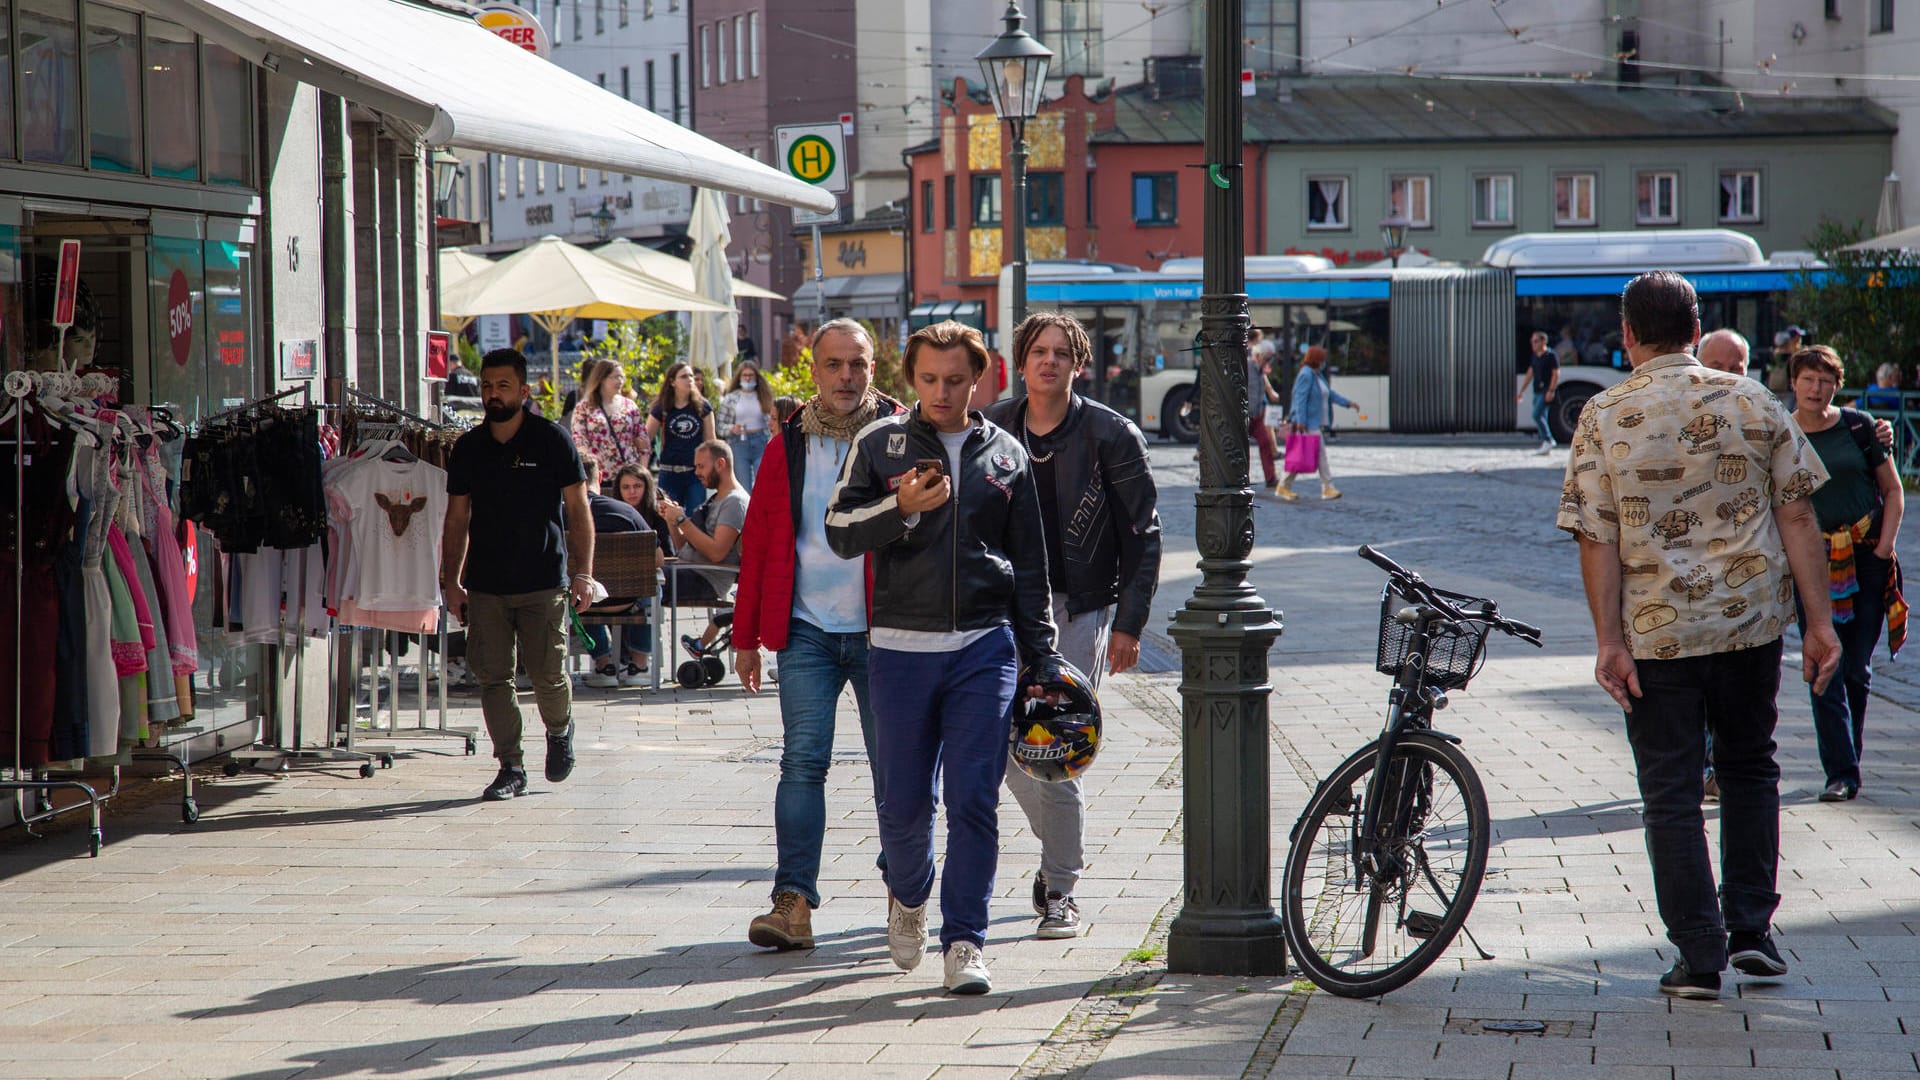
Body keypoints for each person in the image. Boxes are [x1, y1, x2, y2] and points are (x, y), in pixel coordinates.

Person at [1559, 270, 1840, 1000]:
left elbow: (1597, 537)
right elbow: (1799, 516)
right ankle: (1751, 930)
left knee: (1672, 794)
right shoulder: (1752, 401)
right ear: (1695, 326)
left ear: (1627, 336)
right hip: (1748, 627)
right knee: (1750, 768)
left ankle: (1700, 954)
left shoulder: (1602, 415)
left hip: (1657, 638)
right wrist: (1818, 623)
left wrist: (1608, 642)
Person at [825, 320, 1060, 996]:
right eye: (928, 379)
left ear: (978, 378)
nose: (942, 392)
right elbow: (839, 533)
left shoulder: (1006, 455)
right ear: (911, 379)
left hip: (985, 647)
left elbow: (1031, 565)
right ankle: (908, 895)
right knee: (902, 809)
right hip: (900, 650)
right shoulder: (880, 443)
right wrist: (898, 507)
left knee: (973, 802)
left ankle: (966, 941)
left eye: (955, 380)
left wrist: (1040, 656)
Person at [984, 312, 1161, 940]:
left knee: (1054, 742)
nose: (1049, 362)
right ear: (1020, 360)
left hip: (1079, 609)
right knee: (998, 743)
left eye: (1062, 353)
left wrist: (1129, 624)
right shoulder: (993, 427)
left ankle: (1059, 889)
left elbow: (1142, 536)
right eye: (1038, 351)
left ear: (1077, 365)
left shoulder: (1112, 435)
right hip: (1001, 607)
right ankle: (1064, 849)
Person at [733, 318, 907, 951]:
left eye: (856, 364)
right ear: (814, 370)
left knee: (896, 770)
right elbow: (761, 545)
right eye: (833, 365)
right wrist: (746, 635)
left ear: (872, 368)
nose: (845, 377)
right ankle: (793, 905)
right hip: (806, 628)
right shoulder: (789, 443)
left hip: (885, 631)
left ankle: (903, 893)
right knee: (803, 762)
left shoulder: (900, 437)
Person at [441, 348, 596, 801]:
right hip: (486, 585)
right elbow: (456, 520)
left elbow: (579, 511)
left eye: (503, 385)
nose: (493, 393)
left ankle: (559, 730)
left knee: (548, 675)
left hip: (543, 580)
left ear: (524, 391)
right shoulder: (468, 448)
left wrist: (583, 574)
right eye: (487, 385)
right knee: (494, 678)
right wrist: (452, 581)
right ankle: (510, 766)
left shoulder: (552, 440)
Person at [1789, 344, 1907, 802]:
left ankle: (1847, 761)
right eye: (1808, 379)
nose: (1816, 389)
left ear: (1837, 385)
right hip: (1812, 564)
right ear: (1793, 382)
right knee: (1825, 663)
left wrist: (1883, 548)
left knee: (1855, 668)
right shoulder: (1781, 433)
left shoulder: (1860, 428)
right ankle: (1841, 772)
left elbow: (1893, 491)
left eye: (1825, 381)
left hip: (1865, 559)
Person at [658, 439, 748, 656]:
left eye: (701, 466)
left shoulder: (734, 502)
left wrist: (682, 521)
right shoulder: (717, 499)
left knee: (640, 582)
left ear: (721, 464)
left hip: (706, 579)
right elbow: (683, 548)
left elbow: (717, 553)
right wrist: (672, 521)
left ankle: (631, 659)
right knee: (637, 578)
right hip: (688, 570)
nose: (696, 472)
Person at [575, 452, 652, 689]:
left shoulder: (562, 513)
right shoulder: (626, 512)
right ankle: (639, 665)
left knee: (576, 592)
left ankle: (603, 664)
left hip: (582, 601)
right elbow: (656, 557)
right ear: (599, 476)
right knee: (650, 585)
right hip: (627, 599)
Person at [1276, 345, 1359, 501]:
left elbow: (1330, 394)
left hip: (1313, 423)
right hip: (1307, 424)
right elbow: (1300, 399)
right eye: (1322, 359)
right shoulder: (1306, 375)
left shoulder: (1317, 375)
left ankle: (1286, 485)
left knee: (1304, 455)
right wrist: (1301, 421)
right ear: (1317, 360)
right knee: (1311, 455)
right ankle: (1326, 487)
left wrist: (1348, 403)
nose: (1324, 362)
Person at [648, 361, 716, 514]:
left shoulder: (703, 406)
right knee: (668, 518)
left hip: (695, 474)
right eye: (684, 376)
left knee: (696, 517)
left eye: (691, 376)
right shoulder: (662, 407)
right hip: (669, 472)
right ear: (672, 382)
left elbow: (711, 441)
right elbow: (647, 437)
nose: (690, 380)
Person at [570, 358, 650, 478]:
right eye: (615, 377)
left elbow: (644, 442)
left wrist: (642, 473)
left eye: (622, 377)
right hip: (600, 477)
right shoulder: (584, 407)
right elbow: (579, 441)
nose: (620, 381)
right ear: (601, 379)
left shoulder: (630, 405)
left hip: (629, 477)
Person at [718, 360, 776, 491]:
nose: (748, 378)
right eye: (745, 375)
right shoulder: (731, 398)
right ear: (739, 377)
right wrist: (732, 428)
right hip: (738, 442)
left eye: (751, 375)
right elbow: (720, 426)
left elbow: (773, 421)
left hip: (761, 441)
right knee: (743, 485)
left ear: (756, 377)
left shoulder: (764, 397)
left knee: (763, 482)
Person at [1245, 329, 1283, 492]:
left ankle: (1271, 478)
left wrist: (1271, 392)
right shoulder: (1246, 365)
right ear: (1260, 356)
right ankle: (1242, 479)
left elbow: (1265, 382)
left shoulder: (1260, 369)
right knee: (1242, 448)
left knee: (1266, 443)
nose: (1269, 362)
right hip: (1244, 415)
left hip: (1258, 413)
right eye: (1267, 359)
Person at [613, 463, 675, 558]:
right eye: (626, 487)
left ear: (647, 488)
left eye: (637, 486)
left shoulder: (659, 514)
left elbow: (668, 555)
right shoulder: (613, 515)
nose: (632, 491)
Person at [1517, 330, 1560, 455]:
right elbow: (1530, 373)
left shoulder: (1551, 355)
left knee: (1536, 414)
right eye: (1532, 341)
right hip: (1537, 390)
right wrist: (1521, 391)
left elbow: (1556, 373)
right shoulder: (1535, 356)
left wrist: (1551, 390)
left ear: (1543, 341)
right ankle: (1545, 447)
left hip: (1546, 390)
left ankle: (1548, 439)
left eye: (1536, 341)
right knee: (1543, 416)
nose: (1533, 344)